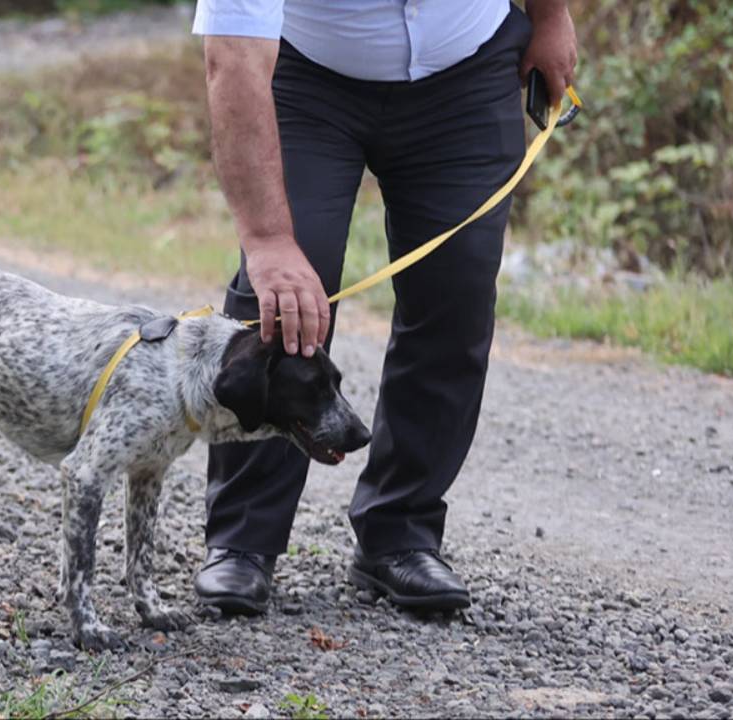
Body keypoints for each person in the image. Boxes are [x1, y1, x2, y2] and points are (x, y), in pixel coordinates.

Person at [192, 0, 577, 614]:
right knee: (291, 287)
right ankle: (242, 539)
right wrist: (267, 240)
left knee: (456, 293)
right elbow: (232, 55)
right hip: (307, 75)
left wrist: (551, 16)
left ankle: (400, 531)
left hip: (465, 68)